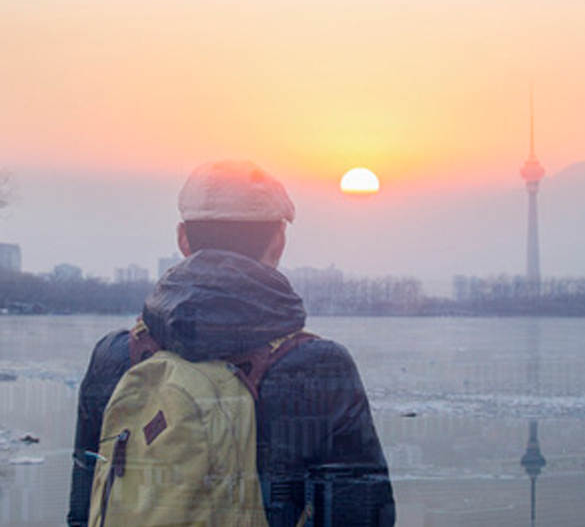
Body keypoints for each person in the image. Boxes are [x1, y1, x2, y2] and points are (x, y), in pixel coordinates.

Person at [67, 160, 395, 527]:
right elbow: (363, 515)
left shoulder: (113, 357)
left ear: (182, 239)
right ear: (279, 241)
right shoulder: (318, 367)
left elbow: (85, 507)